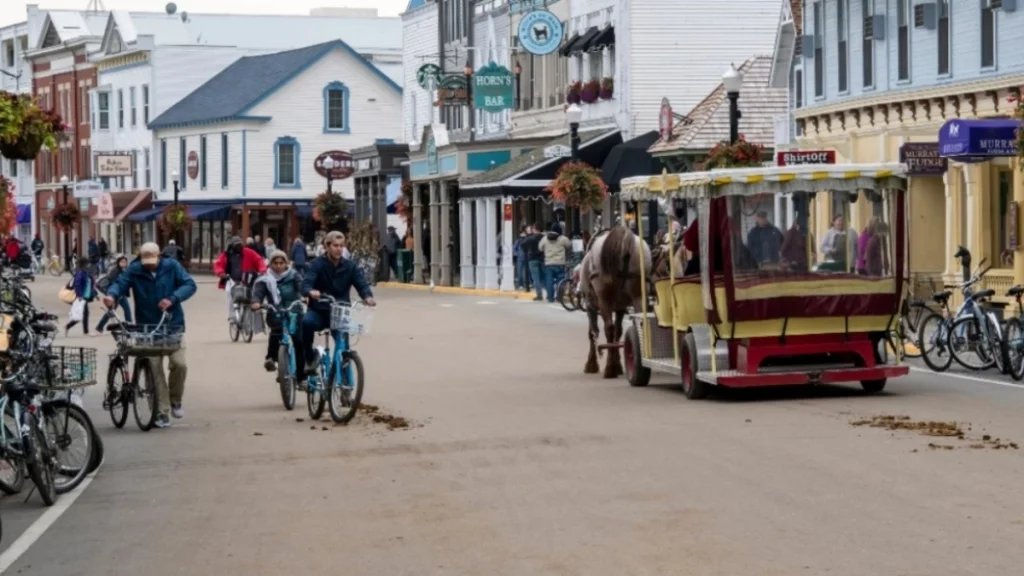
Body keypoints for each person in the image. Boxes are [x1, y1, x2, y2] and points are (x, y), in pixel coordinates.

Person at [104, 242, 197, 428]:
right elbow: (120, 284)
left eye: (153, 262)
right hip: (146, 327)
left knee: (179, 364)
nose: (149, 266)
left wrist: (172, 299)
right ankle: (162, 412)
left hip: (172, 325)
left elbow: (190, 285)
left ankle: (176, 400)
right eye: (146, 262)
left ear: (159, 256)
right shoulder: (135, 270)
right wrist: (111, 296)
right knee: (154, 369)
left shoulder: (172, 266)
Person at [299, 231, 375, 375]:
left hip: (341, 312)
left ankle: (344, 377)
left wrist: (367, 297)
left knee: (343, 346)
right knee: (307, 323)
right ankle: (309, 358)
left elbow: (361, 284)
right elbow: (306, 283)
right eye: (335, 245)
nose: (339, 249)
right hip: (319, 310)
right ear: (327, 246)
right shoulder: (316, 264)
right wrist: (311, 291)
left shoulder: (350, 266)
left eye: (341, 246)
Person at [251, 250, 303, 374]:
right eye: (275, 263)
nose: (279, 266)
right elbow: (258, 292)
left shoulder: (294, 275)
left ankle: (302, 373)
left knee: (298, 339)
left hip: (294, 310)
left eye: (281, 263)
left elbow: (301, 286)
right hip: (275, 311)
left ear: (286, 263)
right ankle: (271, 358)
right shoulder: (265, 279)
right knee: (276, 332)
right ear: (270, 264)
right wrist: (256, 302)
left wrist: (304, 296)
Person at [213, 236, 267, 320]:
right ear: (232, 245)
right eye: (236, 245)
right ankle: (232, 316)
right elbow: (218, 264)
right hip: (231, 279)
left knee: (252, 294)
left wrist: (262, 270)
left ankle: (250, 315)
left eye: (240, 244)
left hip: (247, 279)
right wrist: (221, 273)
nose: (239, 247)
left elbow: (259, 260)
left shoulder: (249, 252)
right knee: (229, 293)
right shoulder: (226, 254)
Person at [95, 255, 132, 333]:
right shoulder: (115, 271)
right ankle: (99, 326)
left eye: (125, 262)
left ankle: (129, 326)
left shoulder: (124, 271)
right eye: (122, 262)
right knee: (112, 311)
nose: (123, 263)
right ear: (118, 262)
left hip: (121, 294)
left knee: (126, 310)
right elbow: (113, 283)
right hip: (116, 295)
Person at [539, 224, 571, 303]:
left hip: (549, 263)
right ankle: (559, 297)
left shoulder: (545, 238)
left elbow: (540, 248)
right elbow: (569, 245)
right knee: (560, 281)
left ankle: (550, 298)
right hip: (560, 263)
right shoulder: (563, 239)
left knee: (549, 281)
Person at [65, 257, 96, 337]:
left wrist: (95, 294)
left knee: (84, 313)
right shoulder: (80, 273)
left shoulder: (86, 272)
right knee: (84, 314)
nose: (89, 265)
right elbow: (77, 284)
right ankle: (84, 331)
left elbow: (90, 285)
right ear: (84, 264)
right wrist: (79, 295)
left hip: (85, 296)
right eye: (88, 263)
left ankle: (69, 326)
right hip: (82, 296)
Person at [520, 225, 545, 301]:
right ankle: (551, 294)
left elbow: (523, 245)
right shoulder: (544, 237)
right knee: (546, 277)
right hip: (542, 258)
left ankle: (539, 294)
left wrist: (528, 250)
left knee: (536, 278)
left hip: (533, 259)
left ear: (535, 229)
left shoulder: (531, 238)